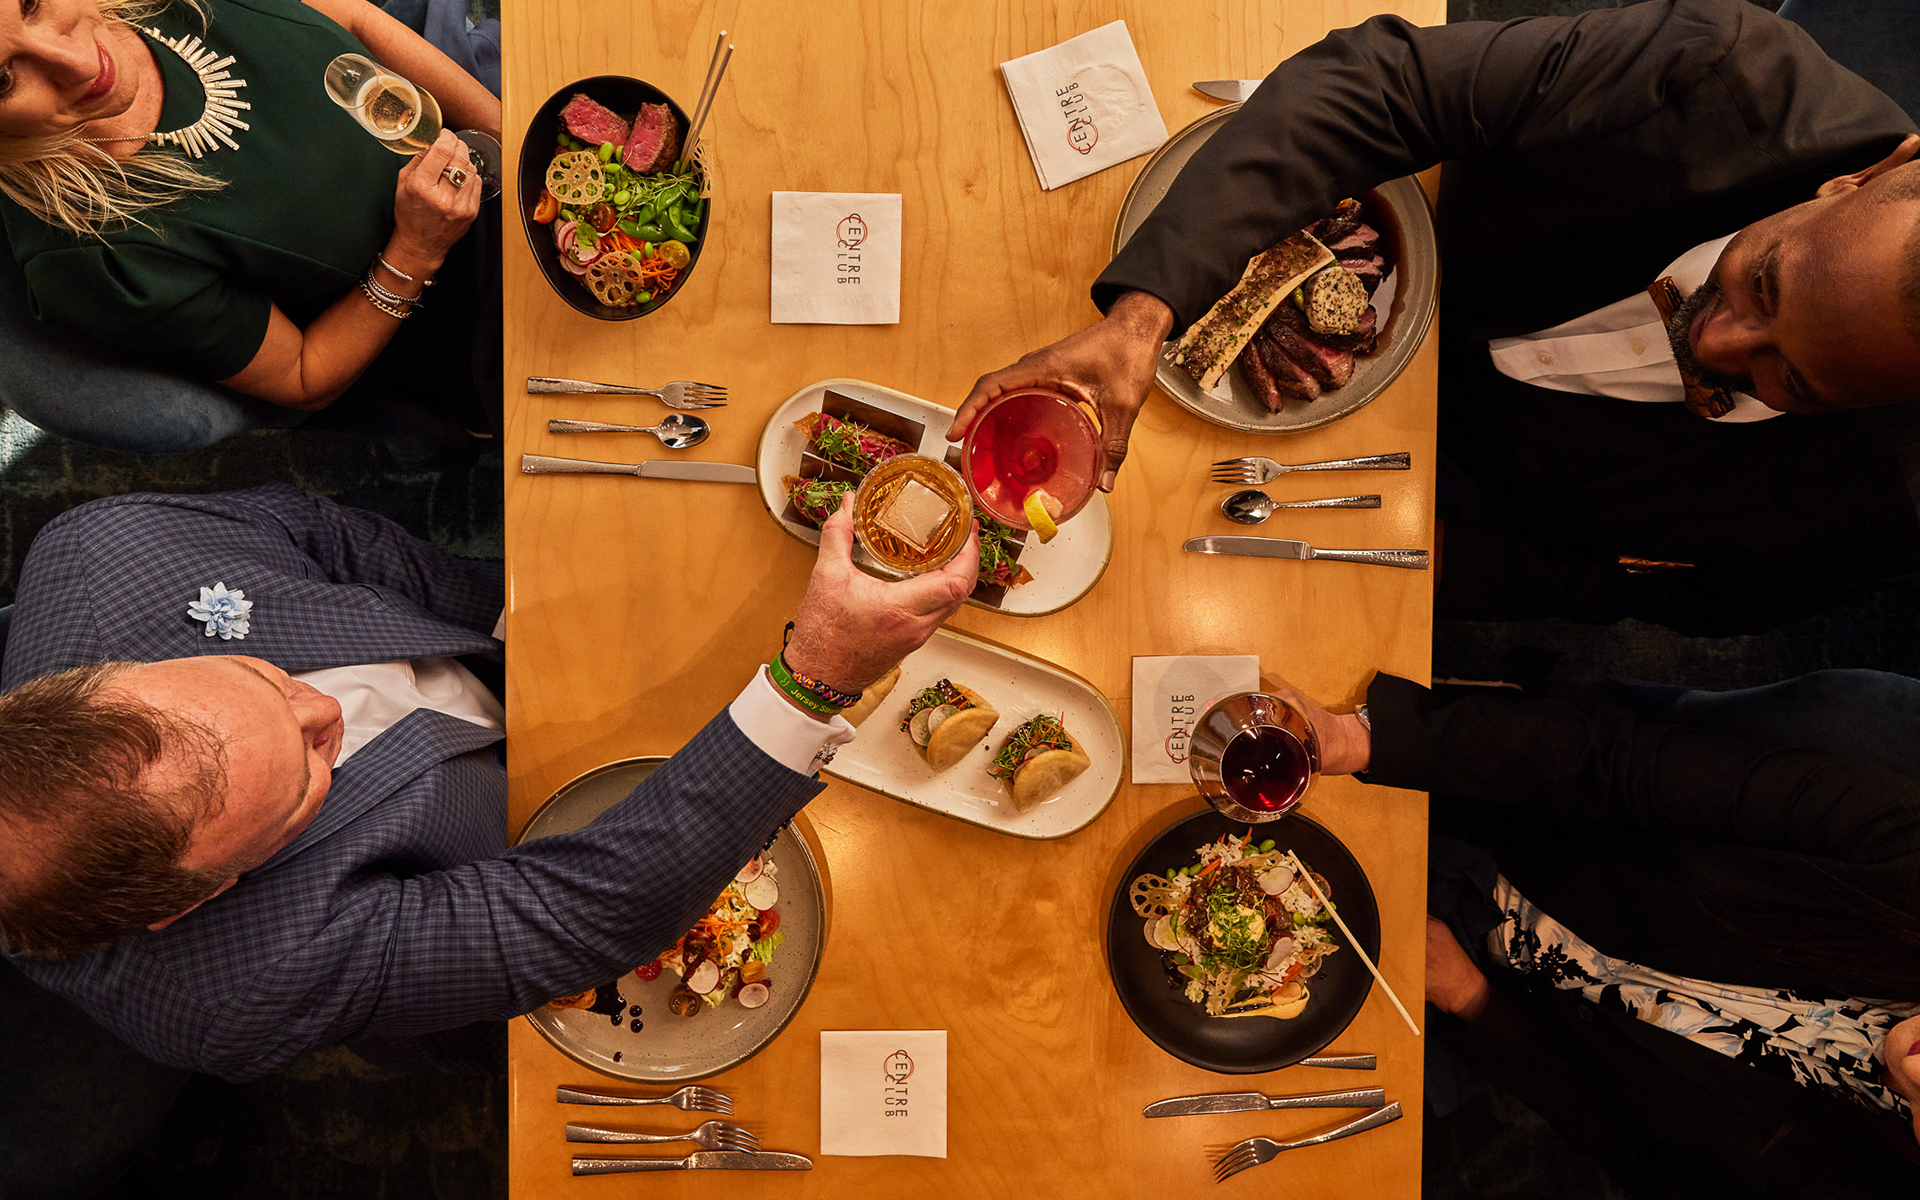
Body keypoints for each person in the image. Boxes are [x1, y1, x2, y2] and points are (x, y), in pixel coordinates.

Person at [951, 0, 1920, 634]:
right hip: (1430, 258)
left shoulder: (1887, 512)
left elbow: (1674, 593)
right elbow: (1381, 84)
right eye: (1764, 284)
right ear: (1869, 174)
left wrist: (1453, 566)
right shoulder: (1724, 74)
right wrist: (1142, 316)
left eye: (1791, 381)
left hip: (1465, 507)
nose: (1713, 343)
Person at [0, 483, 978, 1079]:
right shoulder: (233, 990)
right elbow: (578, 914)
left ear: (107, 675)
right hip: (501, 884)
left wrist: (524, 635)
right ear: (198, 898)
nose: (324, 708)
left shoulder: (103, 554)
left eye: (264, 679)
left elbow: (337, 544)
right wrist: (812, 684)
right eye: (303, 776)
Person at [1266, 671, 1920, 1196]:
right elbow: (1620, 767)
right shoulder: (1903, 861)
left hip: (1498, 1001)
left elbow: (1616, 1139)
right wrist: (1369, 740)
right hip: (1499, 809)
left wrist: (1472, 1001)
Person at [0, 0, 501, 442]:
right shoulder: (92, 256)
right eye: (3, 79)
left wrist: (510, 132)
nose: (80, 64)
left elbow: (354, 19)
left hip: (469, 119)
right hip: (459, 303)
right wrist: (417, 250)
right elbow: (305, 376)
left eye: (32, 4)